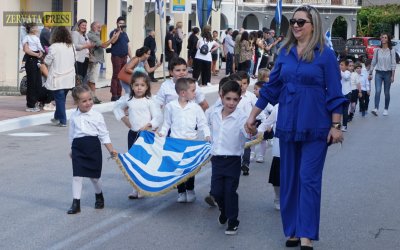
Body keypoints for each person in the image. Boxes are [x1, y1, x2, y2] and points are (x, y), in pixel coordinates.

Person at [245, 5, 347, 249]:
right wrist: (253, 115)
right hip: (289, 125)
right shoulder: (285, 51)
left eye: (301, 22)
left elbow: (334, 93)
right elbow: (272, 88)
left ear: (314, 25)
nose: (296, 26)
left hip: (316, 127)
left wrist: (336, 125)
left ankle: (306, 235)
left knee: (308, 179)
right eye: (293, 22)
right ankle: (291, 230)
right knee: (289, 179)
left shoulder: (325, 54)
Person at [208, 80, 257, 235]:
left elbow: (248, 134)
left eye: (235, 99)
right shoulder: (214, 113)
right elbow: (206, 127)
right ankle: (223, 211)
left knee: (230, 191)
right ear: (221, 96)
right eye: (228, 98)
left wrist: (252, 130)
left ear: (240, 100)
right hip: (216, 159)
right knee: (216, 192)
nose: (231, 103)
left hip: (233, 160)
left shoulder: (242, 117)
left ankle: (233, 220)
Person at [158, 78, 210, 203]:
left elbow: (203, 123)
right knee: (178, 169)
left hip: (191, 142)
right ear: (182, 93)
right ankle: (181, 192)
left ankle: (190, 189)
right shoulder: (171, 106)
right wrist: (162, 133)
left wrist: (207, 135)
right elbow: (166, 124)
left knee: (190, 168)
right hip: (176, 143)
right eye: (193, 90)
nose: (195, 93)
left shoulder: (196, 107)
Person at [67, 85, 117, 214]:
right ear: (76, 102)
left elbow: (104, 134)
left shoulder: (97, 116)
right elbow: (72, 134)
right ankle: (76, 203)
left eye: (90, 99)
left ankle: (99, 194)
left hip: (93, 147)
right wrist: (72, 149)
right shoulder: (74, 117)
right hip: (78, 147)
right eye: (84, 101)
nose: (88, 103)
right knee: (77, 176)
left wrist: (111, 150)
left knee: (94, 178)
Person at [113, 71, 162, 199]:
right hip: (133, 134)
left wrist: (150, 125)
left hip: (146, 135)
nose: (139, 88)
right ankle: (135, 188)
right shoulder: (128, 100)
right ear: (132, 86)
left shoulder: (150, 101)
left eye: (142, 85)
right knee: (134, 162)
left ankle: (145, 185)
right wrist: (125, 120)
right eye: (136, 85)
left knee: (145, 161)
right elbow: (117, 108)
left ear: (147, 87)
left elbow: (158, 116)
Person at [44, 26, 76, 127]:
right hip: (69, 76)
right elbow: (75, 59)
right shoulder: (71, 46)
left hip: (57, 77)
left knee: (59, 99)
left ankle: (63, 120)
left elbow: (47, 61)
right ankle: (57, 117)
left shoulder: (54, 47)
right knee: (61, 99)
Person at [87, 21, 119, 104]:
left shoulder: (95, 35)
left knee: (92, 80)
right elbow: (104, 45)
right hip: (94, 61)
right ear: (94, 27)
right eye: (98, 27)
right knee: (92, 80)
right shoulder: (92, 36)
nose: (100, 29)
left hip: (96, 60)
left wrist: (115, 36)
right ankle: (93, 97)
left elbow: (106, 44)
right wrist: (112, 38)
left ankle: (91, 97)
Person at [258, 103, 281, 210]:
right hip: (280, 148)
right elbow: (266, 123)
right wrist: (256, 133)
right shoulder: (279, 107)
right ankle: (278, 197)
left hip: (296, 147)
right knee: (277, 178)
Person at [370, 32, 396, 116]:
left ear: (388, 39)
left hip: (388, 73)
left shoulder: (391, 50)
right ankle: (376, 108)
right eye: (382, 37)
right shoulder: (377, 50)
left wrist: (392, 76)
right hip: (379, 73)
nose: (383, 39)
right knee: (377, 91)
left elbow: (393, 64)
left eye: (385, 37)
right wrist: (370, 72)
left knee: (386, 92)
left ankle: (385, 109)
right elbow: (373, 62)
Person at [22, 22, 44, 112]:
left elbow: (40, 48)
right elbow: (26, 50)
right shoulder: (26, 38)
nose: (38, 28)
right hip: (30, 60)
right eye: (36, 27)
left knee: (38, 82)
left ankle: (35, 102)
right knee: (32, 82)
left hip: (36, 60)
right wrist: (36, 54)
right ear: (32, 29)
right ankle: (30, 105)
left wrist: (41, 53)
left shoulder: (36, 38)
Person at [109, 16, 132, 101]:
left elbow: (127, 46)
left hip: (124, 57)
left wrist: (131, 56)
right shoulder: (114, 32)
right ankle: (114, 94)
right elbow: (113, 41)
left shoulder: (125, 34)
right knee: (116, 75)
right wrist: (118, 30)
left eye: (123, 23)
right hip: (116, 56)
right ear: (117, 23)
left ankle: (119, 93)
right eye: (120, 23)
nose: (122, 25)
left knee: (121, 75)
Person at [72, 19, 94, 84]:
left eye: (85, 25)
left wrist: (91, 46)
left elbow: (88, 45)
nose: (84, 27)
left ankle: (80, 92)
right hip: (78, 59)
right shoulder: (75, 33)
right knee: (78, 78)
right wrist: (86, 46)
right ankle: (77, 93)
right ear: (78, 26)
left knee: (83, 77)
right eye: (83, 25)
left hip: (86, 58)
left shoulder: (85, 35)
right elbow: (75, 46)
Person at [339, 59, 351, 131]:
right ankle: (337, 126)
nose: (340, 66)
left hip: (347, 94)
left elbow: (345, 77)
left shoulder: (348, 72)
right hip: (339, 94)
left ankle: (344, 126)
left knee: (344, 111)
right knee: (337, 111)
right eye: (340, 64)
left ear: (346, 66)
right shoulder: (338, 72)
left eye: (342, 65)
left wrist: (339, 71)